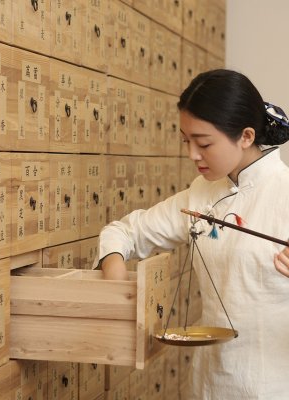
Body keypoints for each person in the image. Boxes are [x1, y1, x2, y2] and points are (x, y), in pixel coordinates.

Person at [94, 69, 289, 399]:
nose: (192, 155)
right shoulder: (202, 193)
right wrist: (116, 278)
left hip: (273, 385)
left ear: (245, 136)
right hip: (210, 382)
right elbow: (124, 232)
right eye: (187, 141)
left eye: (204, 143)